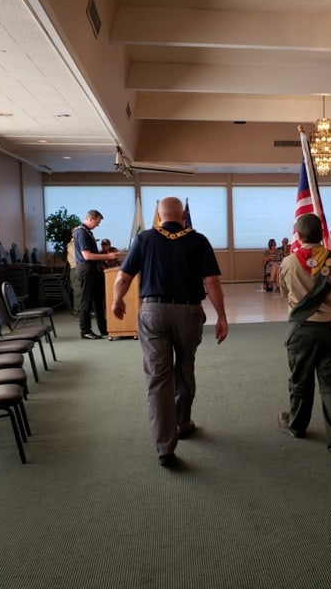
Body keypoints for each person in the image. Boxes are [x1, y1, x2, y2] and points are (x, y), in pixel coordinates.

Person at [112, 197, 228, 468]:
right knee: (185, 367)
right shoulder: (198, 240)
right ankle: (182, 422)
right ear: (182, 215)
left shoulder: (145, 239)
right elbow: (211, 281)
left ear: (159, 215)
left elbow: (123, 277)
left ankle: (164, 447)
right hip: (188, 313)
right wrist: (222, 315)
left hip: (153, 313)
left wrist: (117, 300)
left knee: (157, 377)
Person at [277, 213, 331, 463]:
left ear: (300, 235)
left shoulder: (288, 262)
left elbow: (284, 294)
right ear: (320, 233)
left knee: (300, 382)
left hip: (301, 332)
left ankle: (296, 426)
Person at [74, 209, 117, 339]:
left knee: (98, 301)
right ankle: (85, 330)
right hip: (86, 269)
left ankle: (104, 329)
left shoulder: (87, 232)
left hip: (93, 270)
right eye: (97, 222)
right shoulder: (81, 232)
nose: (98, 225)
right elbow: (86, 255)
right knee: (86, 301)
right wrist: (107, 255)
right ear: (91, 219)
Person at [66, 237, 81, 318]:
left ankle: (82, 311)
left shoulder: (78, 243)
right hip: (75, 269)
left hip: (80, 269)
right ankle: (77, 313)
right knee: (78, 291)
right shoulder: (71, 245)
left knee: (81, 290)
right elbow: (77, 257)